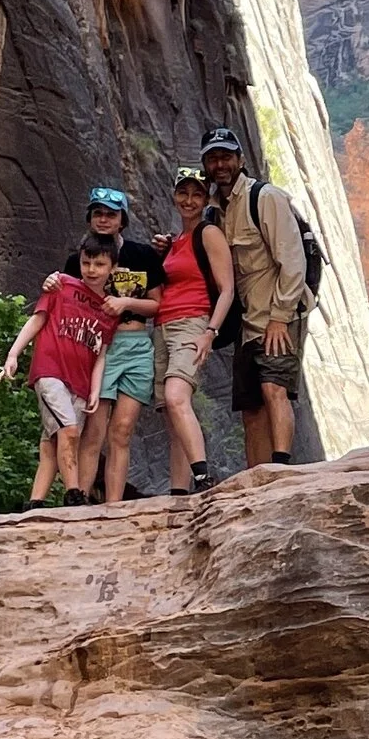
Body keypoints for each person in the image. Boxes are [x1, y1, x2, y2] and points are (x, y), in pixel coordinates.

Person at [199, 125, 311, 470]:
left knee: (274, 389)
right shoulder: (214, 211)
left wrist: (280, 315)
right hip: (247, 323)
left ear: (241, 160)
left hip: (278, 316)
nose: (221, 164)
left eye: (226, 157)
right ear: (206, 165)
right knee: (250, 406)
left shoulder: (265, 198)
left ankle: (279, 471)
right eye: (213, 158)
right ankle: (256, 478)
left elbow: (293, 261)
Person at [0, 240, 117, 506]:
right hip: (50, 372)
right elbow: (37, 319)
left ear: (113, 268)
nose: (91, 270)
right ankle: (74, 494)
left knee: (52, 444)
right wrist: (13, 353)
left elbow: (100, 355)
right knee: (71, 432)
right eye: (86, 262)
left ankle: (34, 505)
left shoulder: (108, 312)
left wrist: (95, 390)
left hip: (80, 383)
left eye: (99, 264)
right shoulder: (61, 285)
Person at [68, 186, 162, 503]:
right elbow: (66, 301)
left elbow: (157, 306)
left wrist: (124, 303)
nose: (104, 220)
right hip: (97, 349)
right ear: (90, 218)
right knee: (93, 430)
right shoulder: (79, 260)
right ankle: (79, 501)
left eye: (111, 214)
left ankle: (114, 508)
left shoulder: (142, 255)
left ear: (122, 219)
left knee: (121, 430)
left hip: (135, 345)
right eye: (98, 213)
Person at [152, 165, 236, 495]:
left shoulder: (209, 233)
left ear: (206, 198)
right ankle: (178, 491)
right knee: (172, 415)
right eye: (183, 193)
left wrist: (210, 331)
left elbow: (226, 289)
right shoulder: (176, 242)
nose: (189, 200)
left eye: (197, 194)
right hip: (162, 328)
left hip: (193, 323)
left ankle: (203, 477)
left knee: (177, 396)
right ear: (174, 195)